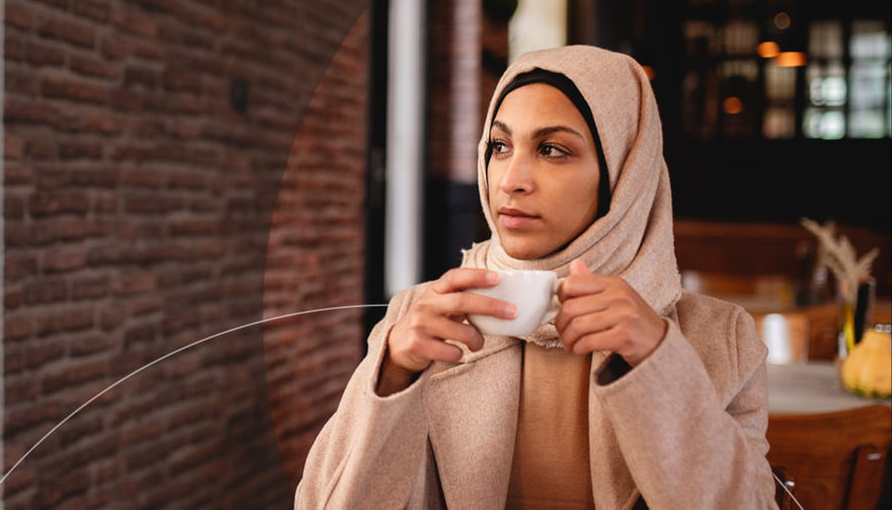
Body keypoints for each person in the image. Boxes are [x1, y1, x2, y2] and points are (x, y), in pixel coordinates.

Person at [295, 45, 776, 508]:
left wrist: (658, 363)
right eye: (500, 146)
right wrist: (394, 374)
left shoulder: (719, 340)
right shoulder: (423, 320)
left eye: (551, 149)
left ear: (624, 173)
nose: (510, 179)